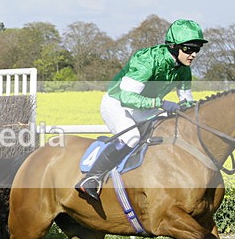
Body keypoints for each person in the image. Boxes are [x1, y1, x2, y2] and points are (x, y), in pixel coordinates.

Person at [75, 18, 208, 201]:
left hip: (146, 107)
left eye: (196, 49)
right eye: (188, 49)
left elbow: (186, 100)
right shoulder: (147, 60)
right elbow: (127, 98)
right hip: (117, 103)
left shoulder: (184, 69)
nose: (193, 54)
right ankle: (91, 178)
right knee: (131, 137)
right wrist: (161, 104)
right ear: (173, 46)